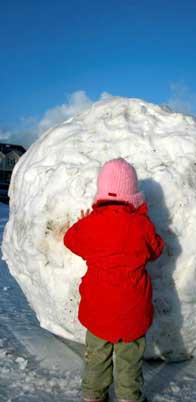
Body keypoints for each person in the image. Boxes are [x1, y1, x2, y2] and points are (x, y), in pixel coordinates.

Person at [63, 157, 164, 402]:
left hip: (98, 310)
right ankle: (129, 397)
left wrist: (84, 221)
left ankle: (93, 395)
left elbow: (71, 240)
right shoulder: (141, 225)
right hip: (132, 311)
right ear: (132, 194)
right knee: (130, 361)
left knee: (97, 356)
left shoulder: (91, 224)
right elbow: (156, 250)